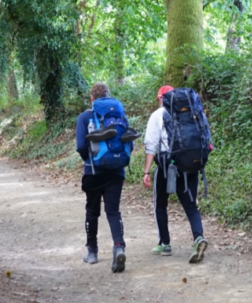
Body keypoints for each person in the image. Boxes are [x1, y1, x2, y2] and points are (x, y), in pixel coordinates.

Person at [142, 85, 208, 264]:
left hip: (166, 164)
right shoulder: (193, 112)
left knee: (160, 204)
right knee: (190, 205)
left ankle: (165, 243)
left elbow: (150, 145)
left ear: (162, 98)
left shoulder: (157, 115)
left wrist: (146, 171)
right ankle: (198, 238)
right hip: (190, 162)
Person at [75, 82, 130, 273]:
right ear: (108, 96)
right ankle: (119, 247)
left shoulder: (85, 117)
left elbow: (81, 147)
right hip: (116, 171)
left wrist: (91, 160)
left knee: (92, 211)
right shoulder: (119, 116)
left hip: (93, 171)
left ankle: (92, 252)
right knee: (113, 211)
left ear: (92, 99)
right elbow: (128, 142)